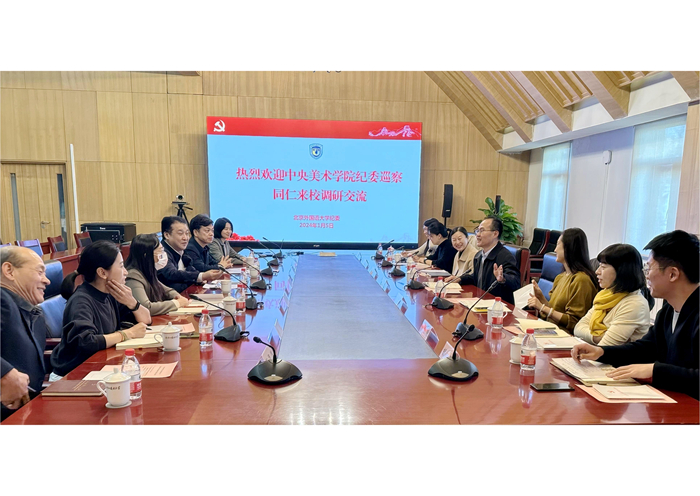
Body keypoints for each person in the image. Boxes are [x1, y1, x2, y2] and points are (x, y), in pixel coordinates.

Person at [572, 231, 699, 399]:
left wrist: (654, 370)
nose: (646, 275)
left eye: (649, 268)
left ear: (673, 274)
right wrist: (601, 352)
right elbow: (645, 348)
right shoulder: (668, 311)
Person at [50, 241, 152, 378]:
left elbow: (146, 320)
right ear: (102, 272)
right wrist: (127, 334)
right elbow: (86, 342)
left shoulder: (110, 294)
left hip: (98, 367)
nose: (126, 272)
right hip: (73, 375)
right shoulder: (81, 301)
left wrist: (132, 302)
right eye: (121, 266)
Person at [0, 246, 50, 420]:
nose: (47, 281)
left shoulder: (31, 311)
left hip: (27, 411)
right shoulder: (2, 299)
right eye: (40, 272)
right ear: (9, 271)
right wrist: (4, 372)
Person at [573, 244, 652, 345]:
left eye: (603, 267)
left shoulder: (634, 304)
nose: (597, 271)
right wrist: (598, 337)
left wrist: (592, 337)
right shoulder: (606, 296)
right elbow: (578, 328)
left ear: (621, 271)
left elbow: (606, 347)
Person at [527, 228, 598, 333]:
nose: (555, 250)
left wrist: (541, 307)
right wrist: (540, 296)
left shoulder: (581, 280)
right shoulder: (560, 277)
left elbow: (573, 321)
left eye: (558, 245)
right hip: (550, 330)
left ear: (569, 248)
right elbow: (553, 311)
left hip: (565, 335)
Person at [448, 216, 521, 305]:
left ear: (495, 234)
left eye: (482, 231)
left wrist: (503, 278)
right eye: (477, 230)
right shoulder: (478, 256)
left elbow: (516, 283)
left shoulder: (505, 256)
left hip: (497, 306)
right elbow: (476, 278)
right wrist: (460, 278)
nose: (477, 235)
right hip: (480, 303)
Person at [125, 234, 190, 316]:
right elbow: (146, 307)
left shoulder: (148, 272)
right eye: (160, 251)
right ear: (146, 255)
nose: (163, 254)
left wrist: (177, 296)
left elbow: (166, 290)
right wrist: (176, 303)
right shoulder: (133, 277)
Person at [157, 216, 223, 293]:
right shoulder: (160, 252)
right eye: (180, 233)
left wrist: (199, 277)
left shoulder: (180, 250)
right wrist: (200, 276)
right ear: (167, 235)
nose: (185, 238)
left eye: (187, 233)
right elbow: (172, 274)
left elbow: (191, 269)